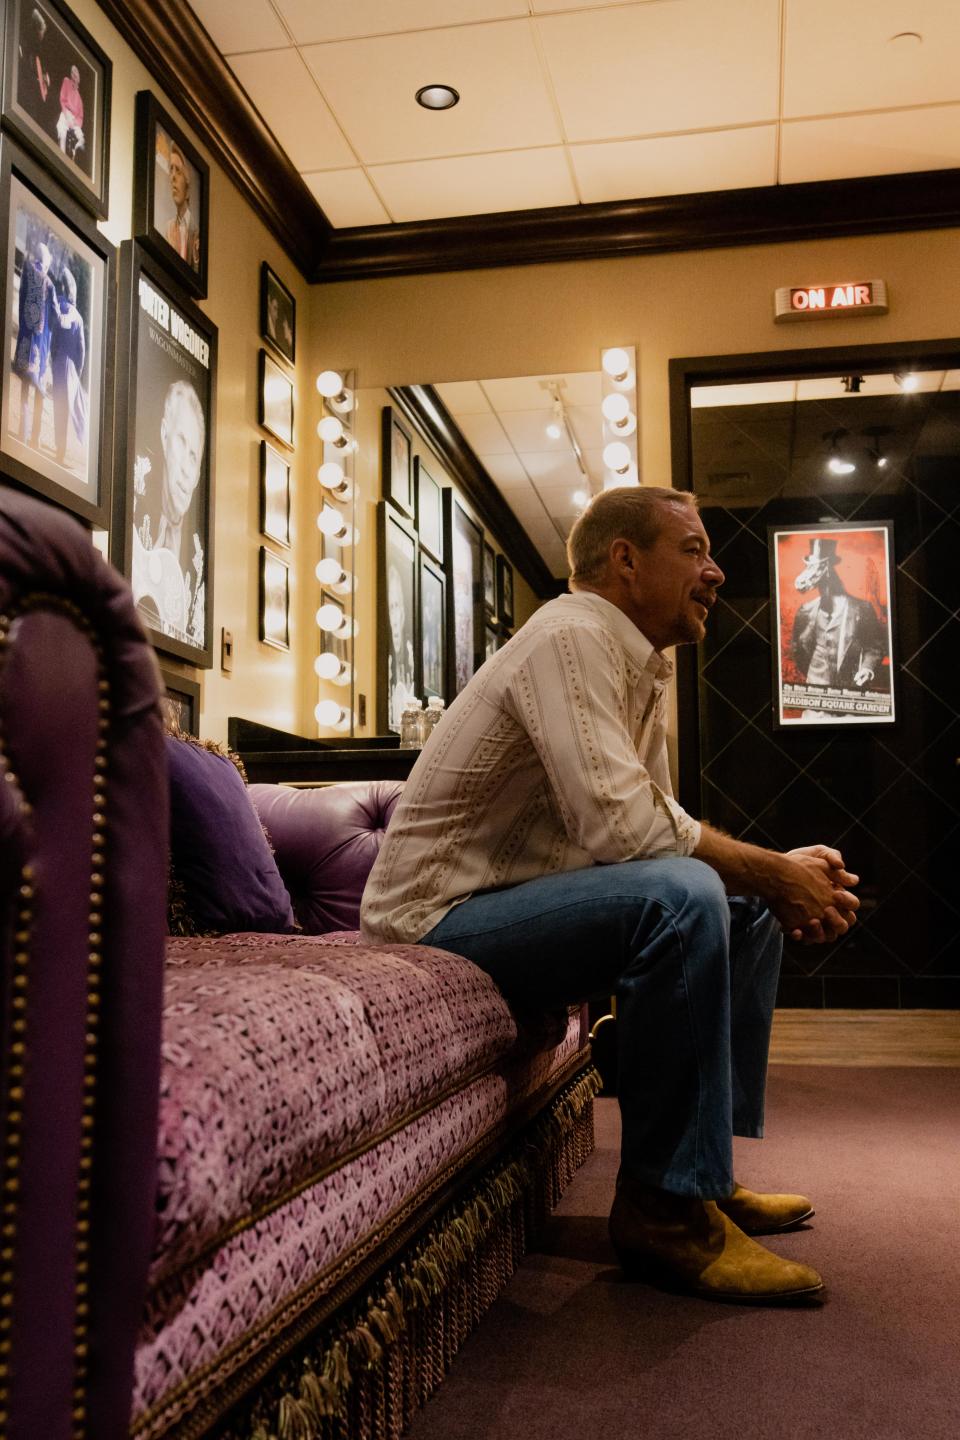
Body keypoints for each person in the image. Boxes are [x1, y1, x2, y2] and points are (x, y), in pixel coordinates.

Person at [361, 486, 860, 1305]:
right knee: (691, 893)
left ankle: (701, 1176)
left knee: (739, 908)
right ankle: (663, 1212)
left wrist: (771, 878)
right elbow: (631, 833)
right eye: (694, 549)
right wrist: (771, 865)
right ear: (625, 560)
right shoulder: (571, 635)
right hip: (433, 921)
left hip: (517, 904)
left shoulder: (643, 667)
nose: (715, 570)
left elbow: (652, 835)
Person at [131, 379, 205, 645]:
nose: (186, 467)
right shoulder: (134, 494)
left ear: (198, 475)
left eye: (194, 457)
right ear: (164, 435)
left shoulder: (198, 565)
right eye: (181, 442)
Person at [790, 536, 887, 692]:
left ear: (828, 567)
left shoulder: (862, 608)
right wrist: (816, 677)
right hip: (817, 698)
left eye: (818, 567)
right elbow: (800, 651)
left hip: (851, 694)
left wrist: (866, 668)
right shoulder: (806, 611)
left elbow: (874, 646)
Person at [13, 237, 55, 450]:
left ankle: (21, 433)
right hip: (40, 348)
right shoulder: (49, 284)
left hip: (25, 341)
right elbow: (55, 317)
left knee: (23, 390)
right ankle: (35, 440)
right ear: (46, 261)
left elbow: (21, 302)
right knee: (39, 393)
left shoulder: (28, 272)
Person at [49, 266, 86, 467]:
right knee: (69, 408)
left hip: (59, 365)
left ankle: (60, 450)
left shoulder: (61, 309)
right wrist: (78, 371)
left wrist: (53, 359)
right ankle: (61, 450)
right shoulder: (78, 317)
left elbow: (55, 337)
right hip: (70, 368)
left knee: (59, 407)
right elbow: (82, 350)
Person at [387, 560, 416, 730]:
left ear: (403, 613)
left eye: (396, 606)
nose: (394, 616)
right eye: (390, 607)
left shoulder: (410, 665)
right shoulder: (388, 666)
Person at [164, 142, 200, 271]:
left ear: (187, 181)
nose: (173, 176)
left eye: (178, 171)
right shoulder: (168, 228)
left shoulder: (197, 232)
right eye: (171, 169)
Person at [55, 64, 85, 162]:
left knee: (80, 137)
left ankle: (75, 155)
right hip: (66, 113)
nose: (74, 74)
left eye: (76, 71)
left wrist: (75, 122)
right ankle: (61, 157)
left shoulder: (79, 98)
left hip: (74, 121)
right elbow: (62, 99)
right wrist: (67, 114)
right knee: (62, 129)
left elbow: (80, 117)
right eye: (72, 72)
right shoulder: (66, 81)